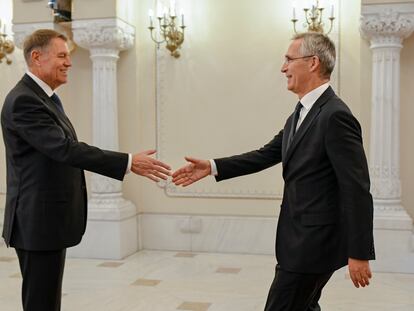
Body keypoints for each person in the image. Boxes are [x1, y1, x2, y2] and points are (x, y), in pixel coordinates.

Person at [172, 32, 375, 311]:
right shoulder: (299, 114)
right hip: (297, 241)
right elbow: (265, 154)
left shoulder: (335, 115)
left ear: (313, 62)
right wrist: (212, 167)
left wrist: (359, 252)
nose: (283, 68)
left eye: (289, 60)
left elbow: (356, 187)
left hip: (312, 245)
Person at [1, 29, 171, 311]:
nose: (69, 62)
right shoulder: (24, 100)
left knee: (47, 299)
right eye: (62, 55)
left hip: (46, 221)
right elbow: (65, 149)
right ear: (36, 57)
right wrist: (128, 162)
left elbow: (65, 148)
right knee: (41, 302)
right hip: (36, 221)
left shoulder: (46, 98)